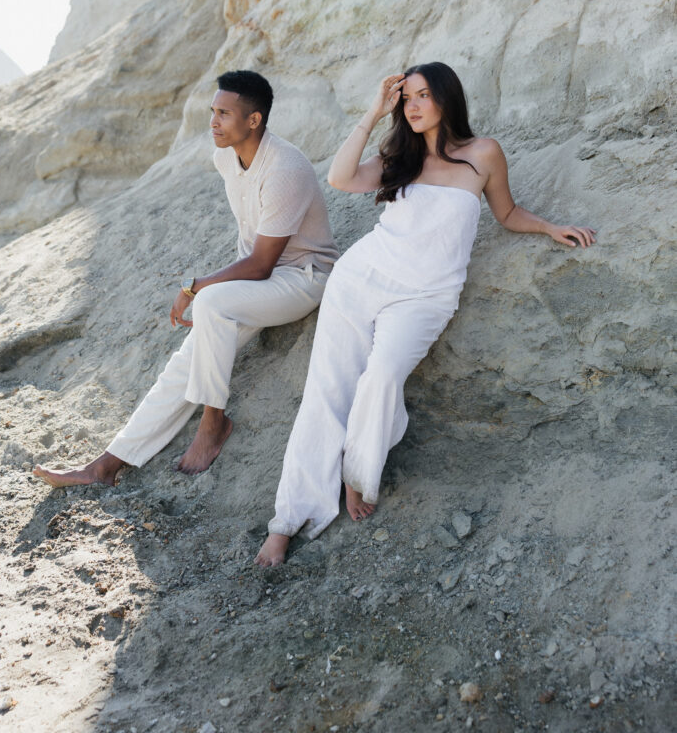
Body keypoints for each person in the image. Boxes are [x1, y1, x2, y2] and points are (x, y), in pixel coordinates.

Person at [255, 62, 595, 566]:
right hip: (360, 279)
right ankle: (285, 522)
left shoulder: (483, 154)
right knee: (326, 391)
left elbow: (505, 213)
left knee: (383, 376)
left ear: (446, 99)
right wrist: (374, 112)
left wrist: (548, 227)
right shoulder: (399, 154)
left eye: (421, 96)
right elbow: (340, 177)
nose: (411, 107)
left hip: (425, 297)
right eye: (404, 98)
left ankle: (357, 473)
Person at [33, 70, 339, 489]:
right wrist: (210, 289)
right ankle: (107, 464)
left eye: (224, 113)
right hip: (258, 283)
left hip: (304, 277)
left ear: (254, 120)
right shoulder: (225, 158)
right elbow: (251, 255)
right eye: (212, 111)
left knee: (211, 304)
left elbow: (262, 263)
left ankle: (213, 422)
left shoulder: (285, 167)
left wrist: (194, 286)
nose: (213, 121)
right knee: (185, 361)